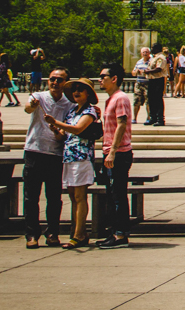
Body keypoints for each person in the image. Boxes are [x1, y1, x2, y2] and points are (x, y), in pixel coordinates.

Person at [44, 77, 101, 249]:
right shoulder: (72, 111)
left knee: (79, 196)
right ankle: (78, 231)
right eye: (74, 89)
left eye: (80, 89)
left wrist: (56, 122)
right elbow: (63, 136)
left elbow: (78, 129)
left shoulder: (90, 111)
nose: (76, 92)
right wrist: (56, 130)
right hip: (69, 157)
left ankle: (79, 234)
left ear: (88, 93)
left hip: (82, 157)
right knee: (73, 197)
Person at [22, 67, 73, 249]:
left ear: (66, 82)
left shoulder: (69, 104)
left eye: (59, 80)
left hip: (55, 154)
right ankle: (31, 234)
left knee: (54, 197)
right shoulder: (39, 96)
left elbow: (65, 134)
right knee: (31, 197)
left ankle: (52, 233)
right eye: (52, 79)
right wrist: (33, 105)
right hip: (34, 151)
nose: (55, 83)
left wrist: (58, 132)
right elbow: (28, 108)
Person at [96, 63, 133, 248]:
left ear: (114, 78)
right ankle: (114, 232)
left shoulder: (120, 98)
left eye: (103, 76)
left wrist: (112, 151)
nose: (100, 80)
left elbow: (122, 124)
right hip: (111, 152)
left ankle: (120, 235)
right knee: (112, 195)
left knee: (117, 195)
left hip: (119, 153)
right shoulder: (110, 99)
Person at [144, 45, 169, 126]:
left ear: (157, 49)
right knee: (151, 99)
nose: (151, 49)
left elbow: (159, 68)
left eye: (152, 48)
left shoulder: (161, 57)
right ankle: (153, 117)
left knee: (158, 99)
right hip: (152, 80)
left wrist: (148, 71)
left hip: (158, 80)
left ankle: (160, 119)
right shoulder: (154, 57)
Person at [131, 47, 150, 123]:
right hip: (139, 84)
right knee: (136, 101)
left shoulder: (151, 61)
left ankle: (149, 117)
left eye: (146, 52)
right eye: (143, 52)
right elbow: (133, 72)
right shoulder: (139, 62)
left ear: (149, 53)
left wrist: (145, 72)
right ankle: (134, 118)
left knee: (148, 101)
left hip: (147, 84)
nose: (145, 53)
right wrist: (136, 72)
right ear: (141, 53)